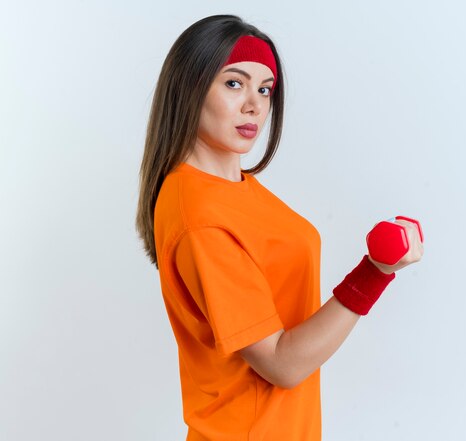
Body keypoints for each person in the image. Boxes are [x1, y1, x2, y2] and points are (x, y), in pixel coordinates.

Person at [135, 14, 424, 441]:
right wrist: (374, 272)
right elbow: (281, 365)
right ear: (190, 87)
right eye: (233, 83)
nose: (254, 104)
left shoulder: (230, 188)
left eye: (265, 88)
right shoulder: (200, 216)